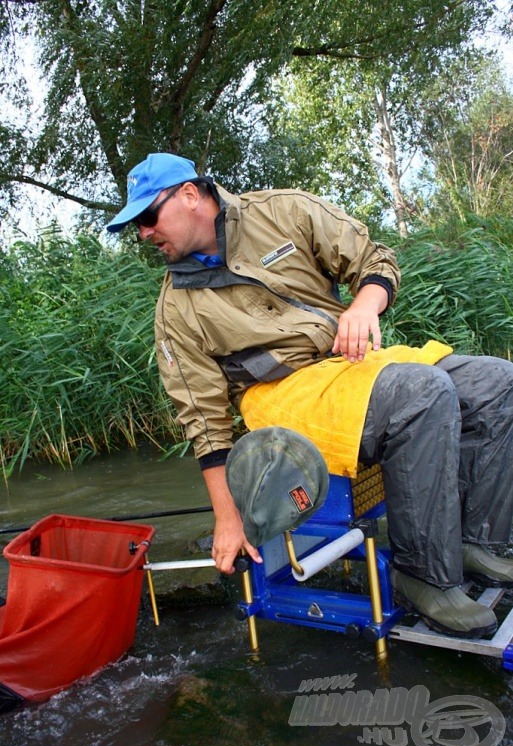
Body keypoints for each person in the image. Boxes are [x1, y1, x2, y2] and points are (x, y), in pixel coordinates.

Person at [107, 152, 513, 639]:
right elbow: (203, 418)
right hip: (278, 396)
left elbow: (375, 259)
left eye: (148, 218)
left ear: (190, 196)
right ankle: (422, 573)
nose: (144, 234)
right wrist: (227, 518)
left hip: (347, 364)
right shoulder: (175, 310)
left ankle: (473, 540)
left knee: (496, 382)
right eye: (137, 226)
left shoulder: (285, 211)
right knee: (422, 393)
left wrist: (364, 304)